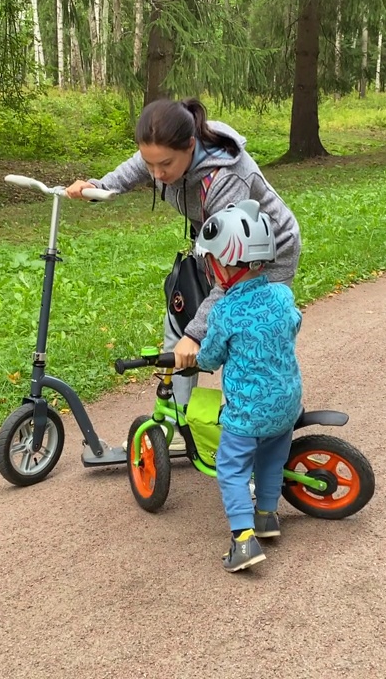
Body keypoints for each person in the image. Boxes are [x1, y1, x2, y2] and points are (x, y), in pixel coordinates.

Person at [65, 98, 301, 414]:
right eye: (151, 164)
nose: (157, 174)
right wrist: (97, 187)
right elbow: (136, 166)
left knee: (252, 333)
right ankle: (177, 419)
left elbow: (232, 277)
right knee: (179, 320)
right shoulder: (163, 151)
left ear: (190, 146)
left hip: (264, 253)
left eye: (165, 164)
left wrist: (196, 335)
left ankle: (268, 416)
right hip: (214, 249)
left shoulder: (226, 178)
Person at [192, 200, 303, 572]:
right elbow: (294, 324)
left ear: (223, 263)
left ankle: (243, 541)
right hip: (286, 405)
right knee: (271, 459)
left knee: (232, 469)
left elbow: (209, 358)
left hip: (248, 414)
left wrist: (197, 360)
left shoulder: (224, 311)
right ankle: (267, 517)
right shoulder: (282, 295)